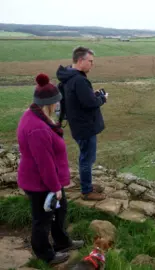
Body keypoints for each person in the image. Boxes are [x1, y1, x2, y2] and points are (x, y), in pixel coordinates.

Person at [16, 73, 84, 264]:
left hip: (46, 180)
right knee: (42, 220)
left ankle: (62, 242)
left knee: (59, 211)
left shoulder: (35, 115)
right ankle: (45, 255)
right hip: (40, 182)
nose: (58, 106)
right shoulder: (37, 128)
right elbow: (44, 163)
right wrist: (55, 187)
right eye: (57, 102)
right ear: (50, 103)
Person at [56, 46, 108, 201]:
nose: (92, 64)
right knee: (87, 158)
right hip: (85, 126)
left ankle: (88, 184)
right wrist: (102, 98)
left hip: (77, 124)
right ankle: (87, 191)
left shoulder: (69, 76)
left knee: (85, 156)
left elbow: (79, 100)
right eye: (90, 61)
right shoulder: (79, 80)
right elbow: (90, 103)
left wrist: (91, 95)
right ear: (80, 60)